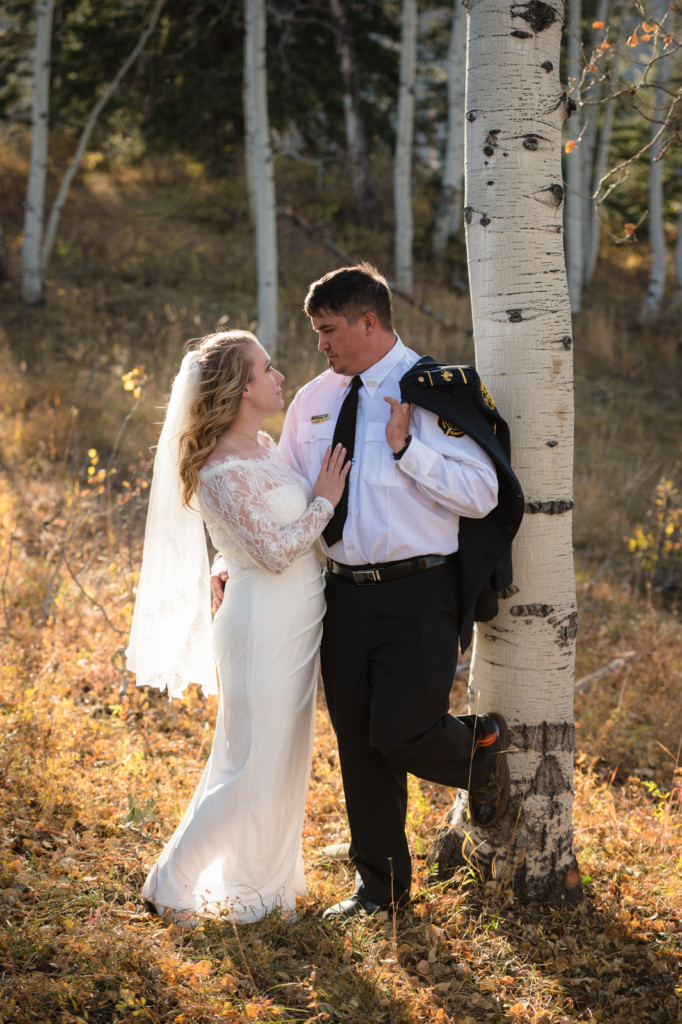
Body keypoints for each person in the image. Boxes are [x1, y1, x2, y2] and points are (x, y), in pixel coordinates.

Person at [273, 263, 519, 920]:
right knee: (360, 745)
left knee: (400, 732)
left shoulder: (434, 391)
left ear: (370, 322)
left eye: (329, 331)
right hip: (339, 596)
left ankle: (479, 751)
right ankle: (381, 893)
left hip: (419, 593)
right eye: (317, 332)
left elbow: (483, 494)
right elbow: (287, 493)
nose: (321, 344)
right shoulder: (313, 400)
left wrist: (409, 449)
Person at [126, 329, 350, 924]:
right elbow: (275, 551)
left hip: (298, 621)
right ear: (240, 387)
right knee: (251, 763)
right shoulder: (220, 466)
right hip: (260, 626)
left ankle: (256, 892)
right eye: (267, 368)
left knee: (278, 760)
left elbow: (244, 538)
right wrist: (325, 500)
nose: (279, 377)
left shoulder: (265, 447)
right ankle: (169, 883)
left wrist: (224, 563)